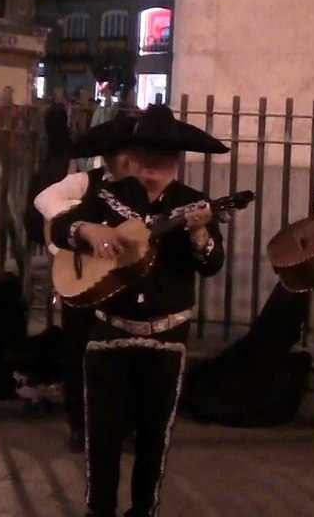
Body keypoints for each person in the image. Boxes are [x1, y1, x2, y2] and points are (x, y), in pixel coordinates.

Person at [47, 104, 228, 517]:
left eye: (162, 159)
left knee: (154, 439)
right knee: (102, 438)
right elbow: (61, 228)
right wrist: (87, 230)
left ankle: (144, 510)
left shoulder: (193, 204)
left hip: (165, 340)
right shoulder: (106, 196)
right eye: (145, 156)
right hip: (108, 333)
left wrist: (200, 232)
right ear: (133, 156)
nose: (152, 167)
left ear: (176, 161)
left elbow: (212, 265)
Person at [32, 114, 142, 453]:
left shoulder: (143, 190)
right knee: (78, 351)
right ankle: (80, 425)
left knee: (123, 353)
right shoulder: (86, 181)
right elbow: (45, 201)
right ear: (120, 157)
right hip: (81, 279)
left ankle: (123, 426)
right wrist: (83, 224)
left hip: (119, 283)